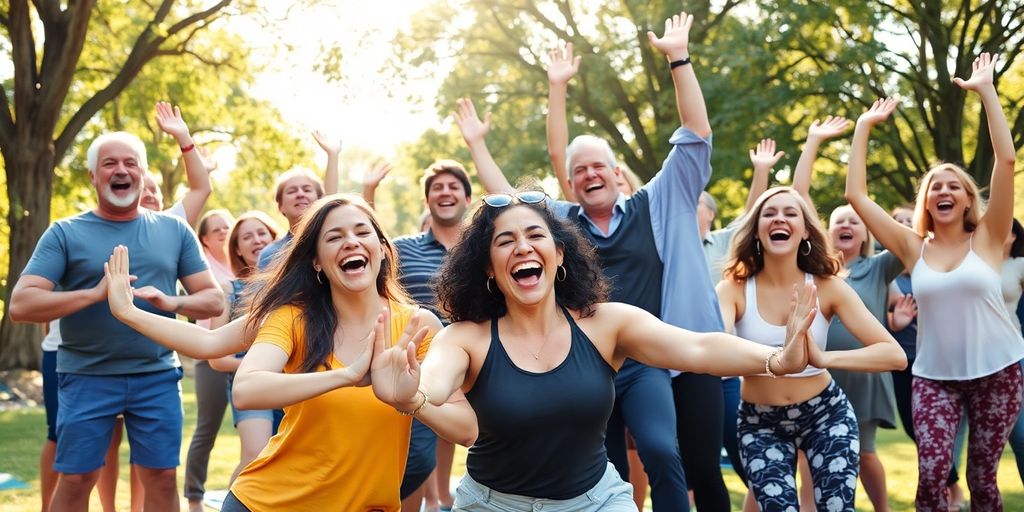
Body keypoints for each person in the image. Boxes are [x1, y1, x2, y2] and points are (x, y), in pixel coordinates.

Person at [373, 188, 821, 511]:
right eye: (505, 241)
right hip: (493, 504)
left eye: (535, 236)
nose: (523, 247)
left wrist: (776, 359)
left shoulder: (606, 323)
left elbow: (698, 348)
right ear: (489, 269)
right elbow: (434, 384)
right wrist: (412, 395)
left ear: (559, 255)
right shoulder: (465, 337)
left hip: (596, 501)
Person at [456, 14, 721, 510]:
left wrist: (678, 59)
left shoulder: (653, 204)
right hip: (581, 358)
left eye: (599, 166)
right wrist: (487, 137)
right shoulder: (560, 224)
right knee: (606, 464)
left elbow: (695, 134)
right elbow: (506, 199)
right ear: (569, 182)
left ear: (617, 174)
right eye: (578, 171)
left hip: (639, 358)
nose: (589, 174)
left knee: (662, 450)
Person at [102, 194, 477, 510]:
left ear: (382, 249)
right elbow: (238, 379)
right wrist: (128, 312)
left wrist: (410, 400)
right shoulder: (294, 317)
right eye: (334, 237)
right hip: (267, 502)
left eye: (362, 232)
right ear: (316, 261)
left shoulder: (418, 326)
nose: (350, 242)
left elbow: (466, 429)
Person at [9, 130, 224, 512]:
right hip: (86, 375)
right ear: (93, 176)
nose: (121, 170)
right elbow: (21, 305)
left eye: (130, 163)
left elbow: (213, 299)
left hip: (156, 374)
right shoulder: (64, 232)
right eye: (110, 163)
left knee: (162, 477)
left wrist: (171, 301)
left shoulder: (174, 230)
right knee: (77, 479)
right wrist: (95, 294)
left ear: (142, 173)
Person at [845, 53, 1023, 510]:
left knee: (982, 480)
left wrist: (987, 91)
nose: (943, 191)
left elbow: (1005, 160)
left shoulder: (989, 237)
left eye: (953, 186)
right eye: (935, 187)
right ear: (926, 201)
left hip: (998, 373)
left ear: (967, 200)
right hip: (933, 379)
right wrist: (863, 127)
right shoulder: (911, 247)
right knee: (931, 475)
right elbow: (856, 196)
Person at [715, 186, 906, 509]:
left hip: (826, 413)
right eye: (769, 213)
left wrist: (823, 357)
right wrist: (780, 358)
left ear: (805, 231)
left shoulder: (828, 286)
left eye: (790, 213)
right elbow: (717, 352)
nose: (780, 219)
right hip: (760, 421)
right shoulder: (733, 289)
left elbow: (894, 355)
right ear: (756, 231)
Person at [366, 158, 473, 512]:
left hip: (477, 359)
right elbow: (365, 243)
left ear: (467, 198)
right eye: (437, 188)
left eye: (453, 186)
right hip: (419, 364)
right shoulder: (404, 248)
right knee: (416, 458)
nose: (445, 192)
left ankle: (444, 499)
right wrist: (369, 190)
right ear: (427, 200)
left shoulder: (481, 250)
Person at [886, 205, 968, 509]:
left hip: (941, 361)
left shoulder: (936, 267)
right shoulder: (890, 278)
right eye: (898, 223)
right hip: (905, 362)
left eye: (909, 221)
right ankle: (950, 486)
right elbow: (885, 319)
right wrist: (897, 322)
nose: (904, 227)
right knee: (915, 428)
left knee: (941, 431)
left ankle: (952, 490)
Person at [826, 204, 901, 511]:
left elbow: (906, 241)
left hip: (866, 377)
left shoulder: (879, 267)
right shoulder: (818, 270)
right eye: (839, 221)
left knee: (864, 452)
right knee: (812, 451)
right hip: (823, 376)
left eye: (855, 222)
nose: (846, 225)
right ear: (828, 232)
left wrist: (869, 210)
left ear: (867, 233)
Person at [206, 211, 280, 485]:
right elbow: (217, 359)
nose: (257, 240)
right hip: (250, 385)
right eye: (247, 237)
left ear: (275, 240)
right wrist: (260, 367)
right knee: (255, 455)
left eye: (262, 233)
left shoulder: (291, 287)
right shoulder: (229, 290)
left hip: (291, 384)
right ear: (237, 249)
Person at [184, 208, 236, 512]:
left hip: (244, 355)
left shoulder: (242, 264)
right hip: (212, 356)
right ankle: (194, 497)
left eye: (228, 226)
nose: (225, 232)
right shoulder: (202, 267)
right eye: (217, 229)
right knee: (207, 427)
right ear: (204, 239)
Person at [256, 130, 341, 269]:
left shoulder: (331, 240)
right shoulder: (270, 255)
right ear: (280, 206)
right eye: (291, 191)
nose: (300, 194)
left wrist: (332, 155)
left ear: (320, 200)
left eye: (307, 189)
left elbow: (331, 200)